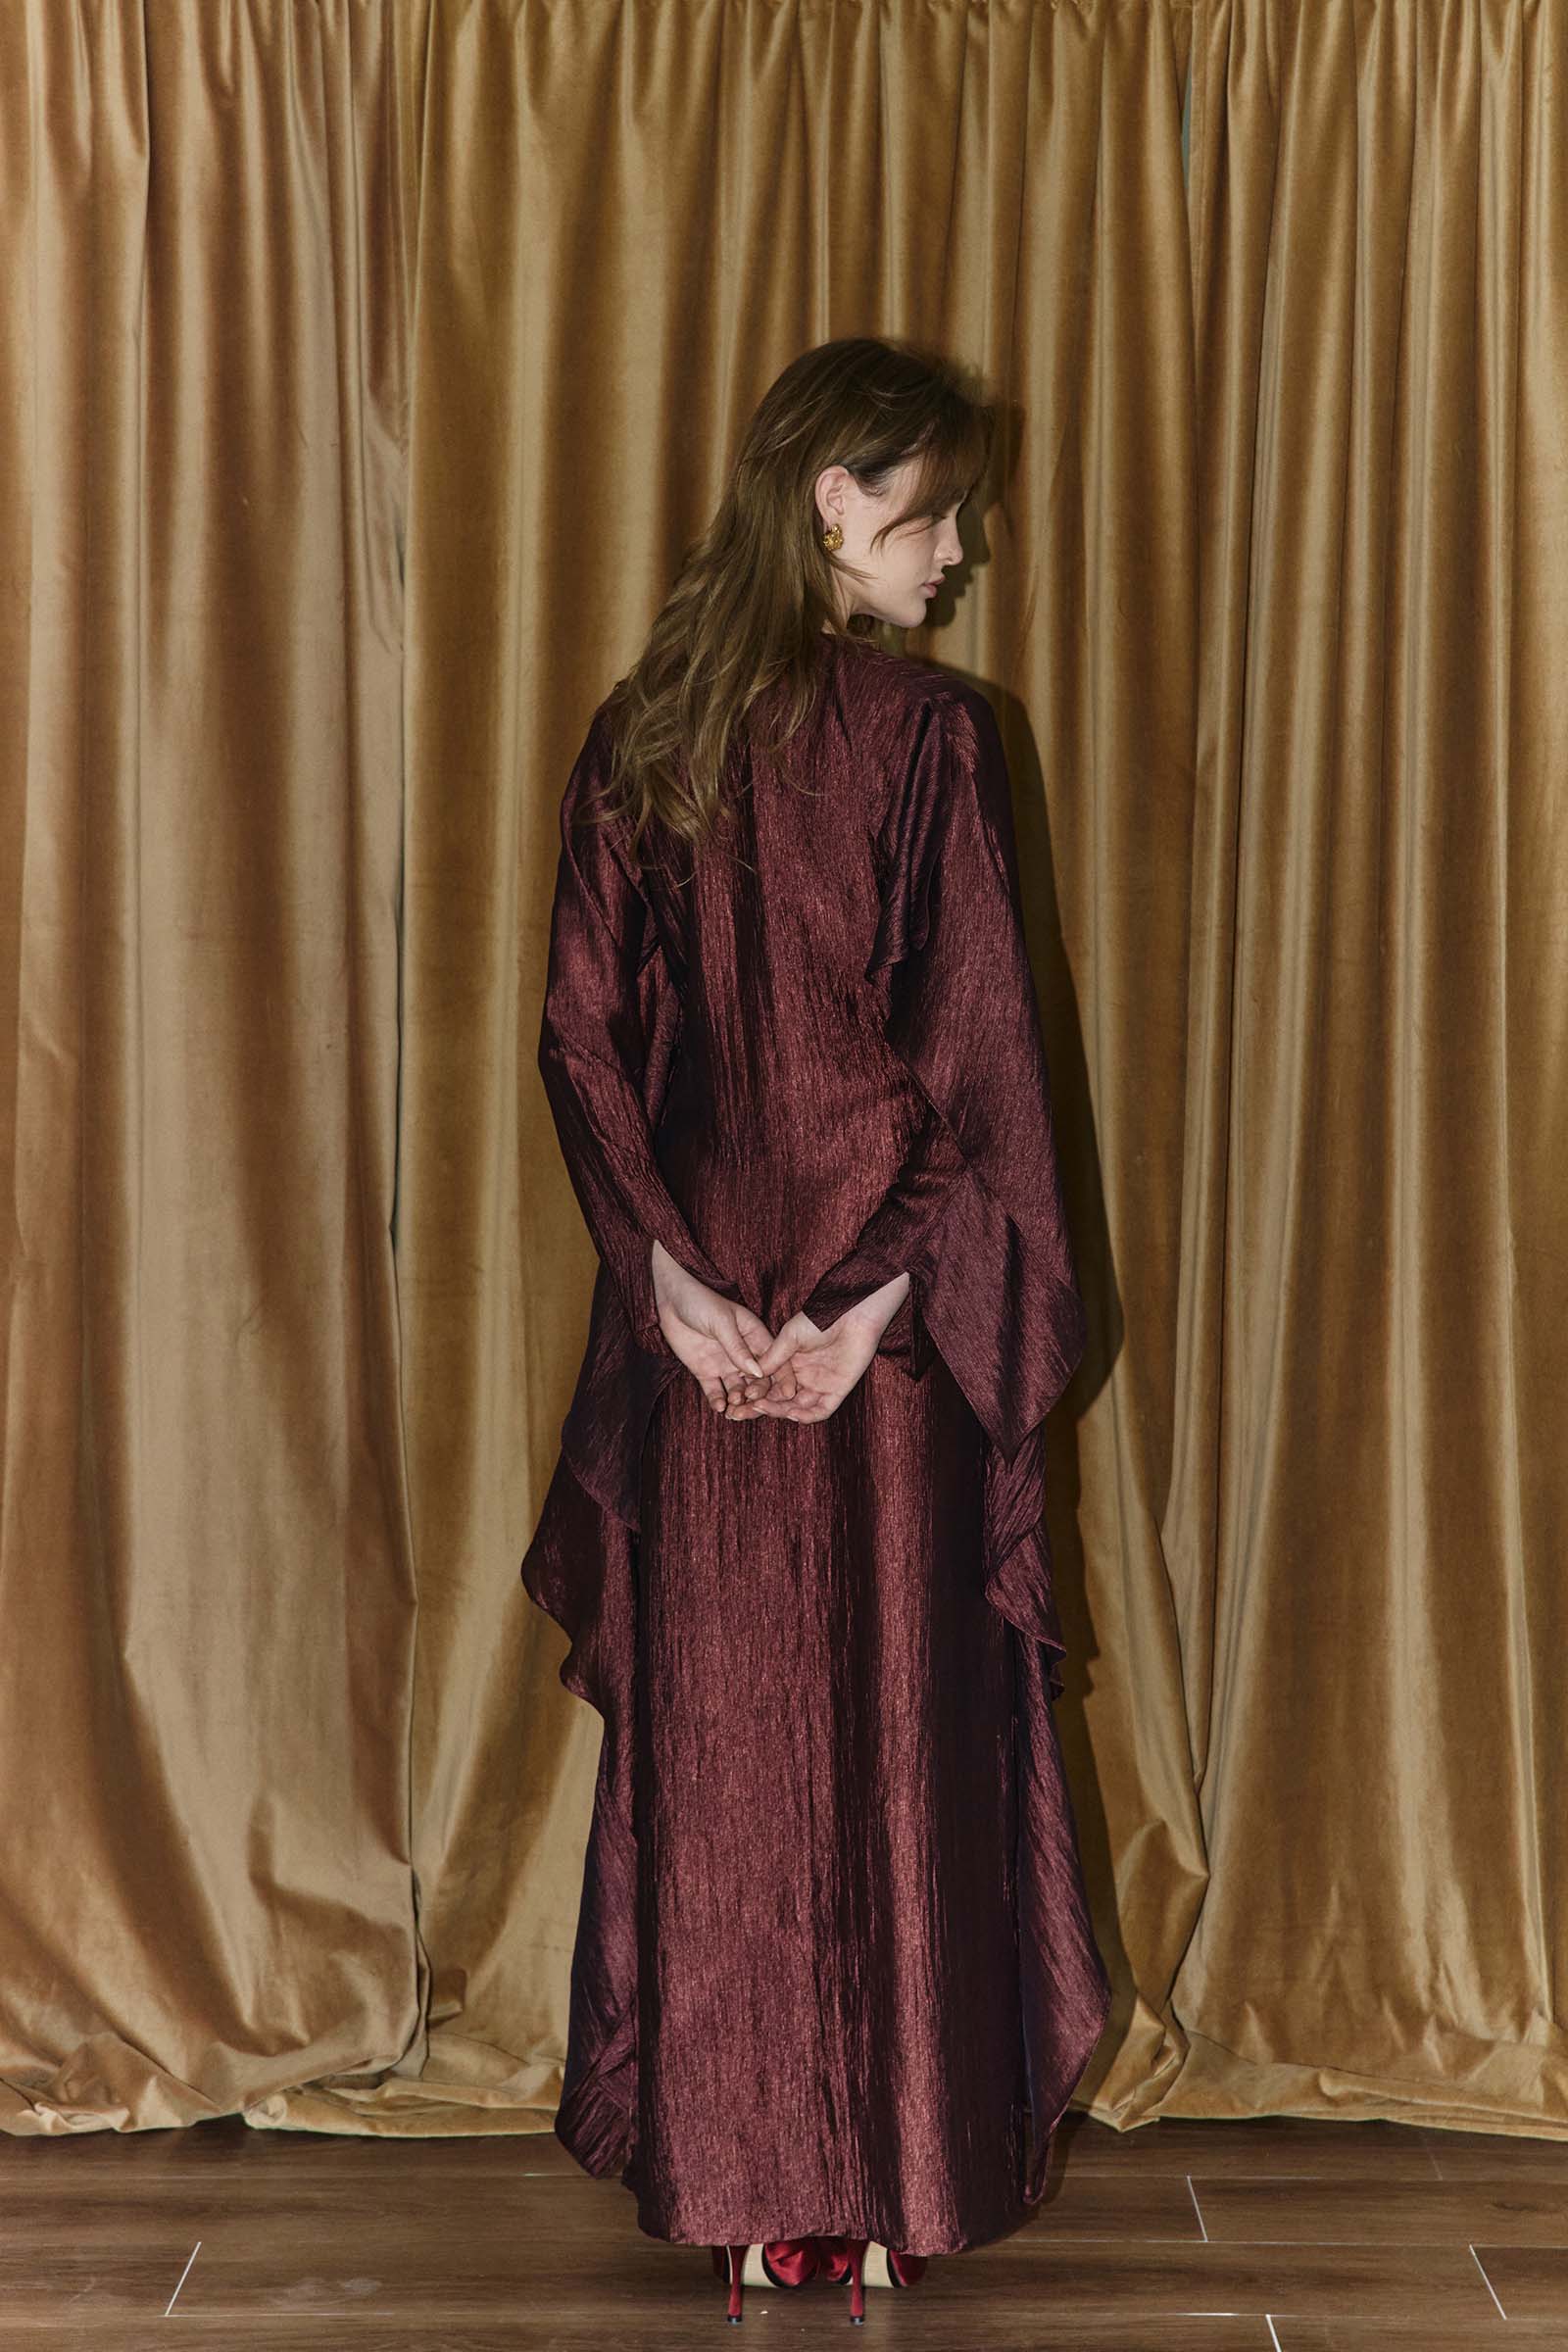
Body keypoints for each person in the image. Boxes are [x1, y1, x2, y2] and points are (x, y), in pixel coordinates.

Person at [520, 334, 1111, 2326]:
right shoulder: (930, 739)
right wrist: (865, 1308)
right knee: (887, 1746)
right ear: (834, 506)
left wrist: (673, 1283)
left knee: (735, 1750)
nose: (956, 553)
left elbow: (579, 1044)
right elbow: (980, 1068)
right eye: (934, 514)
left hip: (719, 1343)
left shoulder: (643, 734)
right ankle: (869, 2189)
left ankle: (749, 2195)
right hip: (886, 1340)